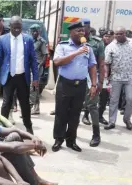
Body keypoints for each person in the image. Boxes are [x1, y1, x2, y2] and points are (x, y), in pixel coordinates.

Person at [52, 21, 97, 152]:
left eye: (83, 31)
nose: (82, 33)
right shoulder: (63, 46)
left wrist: (93, 84)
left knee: (75, 114)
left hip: (81, 85)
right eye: (79, 31)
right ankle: (58, 139)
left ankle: (71, 141)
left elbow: (92, 67)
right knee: (61, 113)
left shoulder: (88, 48)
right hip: (65, 84)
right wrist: (76, 53)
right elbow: (57, 62)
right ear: (71, 33)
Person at [0, 16, 39, 135]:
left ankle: (28, 127)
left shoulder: (28, 39)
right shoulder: (3, 39)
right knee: (6, 103)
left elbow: (33, 60)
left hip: (23, 77)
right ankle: (2, 128)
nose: (17, 30)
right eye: (15, 28)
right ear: (10, 27)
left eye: (19, 27)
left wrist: (35, 78)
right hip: (8, 76)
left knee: (25, 104)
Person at [104, 27, 132, 131]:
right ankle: (112, 121)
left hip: (131, 76)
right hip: (116, 77)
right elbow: (107, 63)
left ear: (125, 34)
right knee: (113, 100)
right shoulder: (110, 47)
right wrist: (107, 76)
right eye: (116, 34)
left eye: (120, 34)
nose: (117, 36)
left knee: (130, 99)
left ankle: (127, 119)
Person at [79, 18, 105, 147]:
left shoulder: (97, 43)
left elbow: (101, 64)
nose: (83, 30)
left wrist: (100, 82)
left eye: (86, 27)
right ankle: (70, 132)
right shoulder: (74, 40)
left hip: (91, 80)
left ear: (90, 28)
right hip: (75, 79)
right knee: (71, 107)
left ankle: (96, 135)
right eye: (81, 28)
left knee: (93, 107)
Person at [29, 24, 48, 115]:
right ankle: (36, 107)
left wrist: (40, 65)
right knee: (34, 87)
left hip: (37, 66)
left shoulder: (41, 42)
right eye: (33, 31)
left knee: (33, 86)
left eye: (36, 31)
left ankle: (31, 105)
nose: (34, 32)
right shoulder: (30, 40)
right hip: (29, 66)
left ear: (39, 32)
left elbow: (45, 55)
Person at [99, 30, 114, 125]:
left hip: (108, 77)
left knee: (104, 98)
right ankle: (86, 115)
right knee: (91, 98)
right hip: (97, 75)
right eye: (105, 36)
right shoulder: (98, 45)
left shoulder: (113, 47)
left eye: (109, 36)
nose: (107, 38)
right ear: (102, 37)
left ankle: (100, 116)